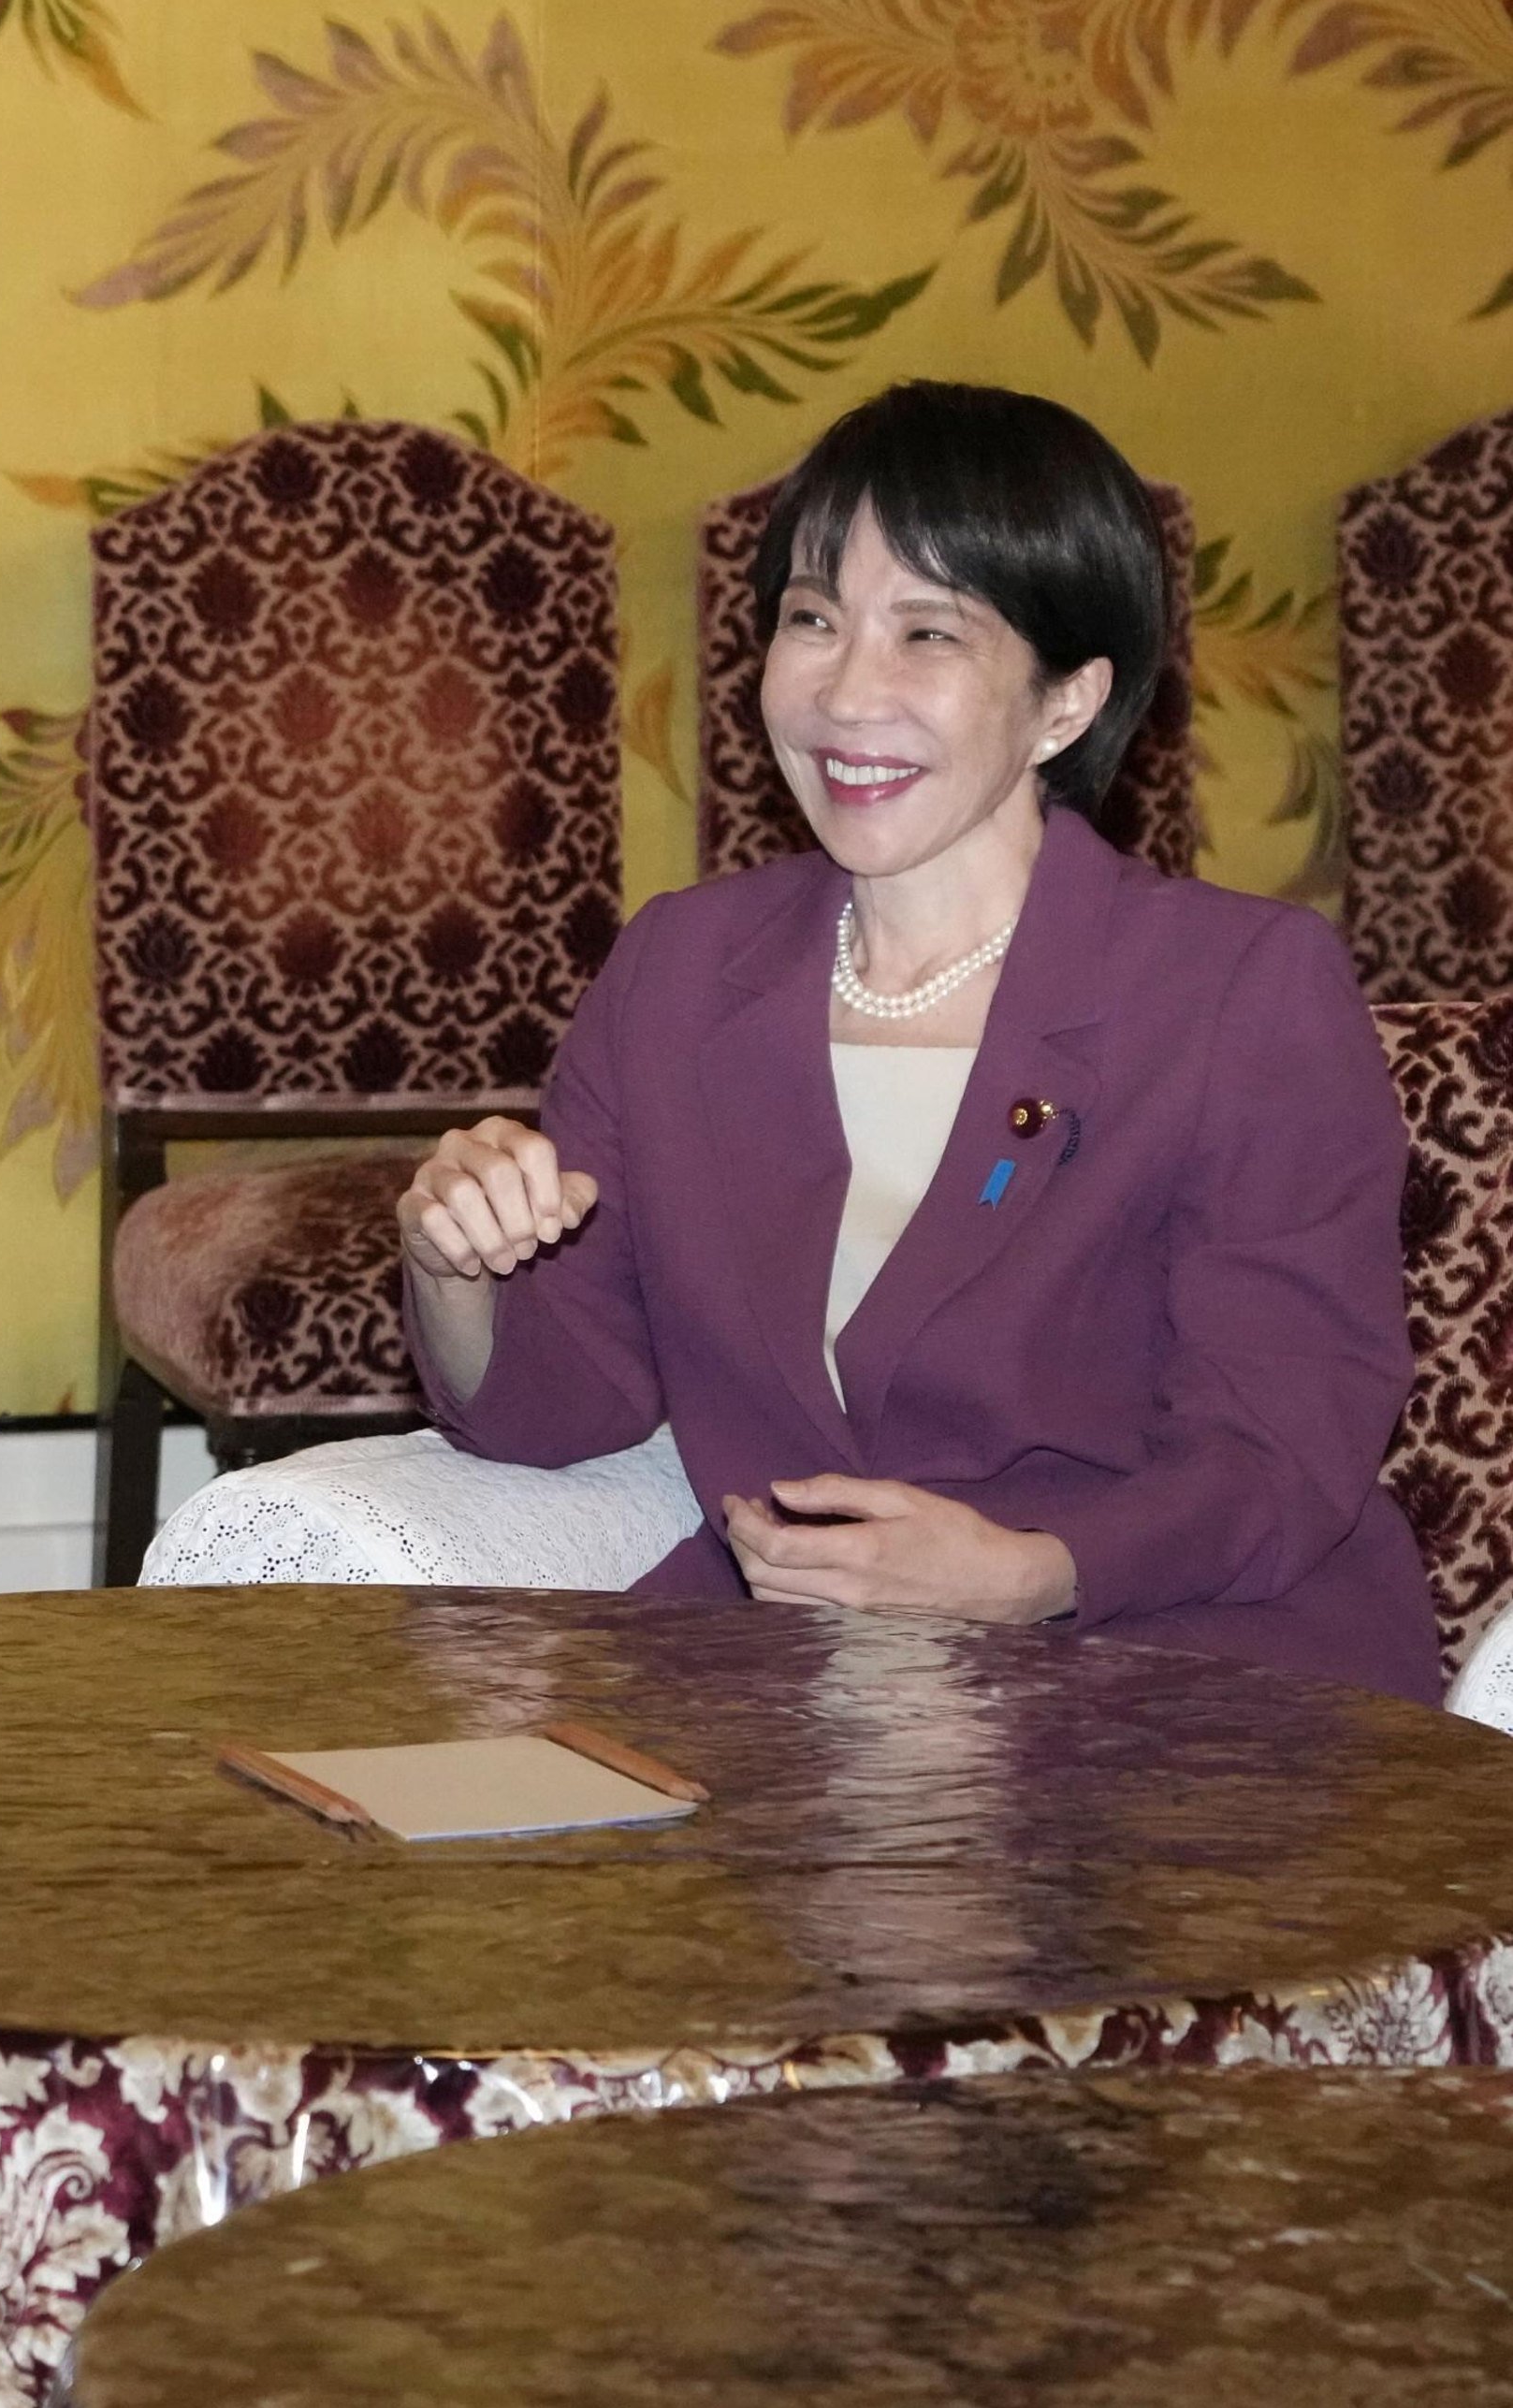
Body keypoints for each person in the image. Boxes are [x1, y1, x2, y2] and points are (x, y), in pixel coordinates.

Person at [396, 381, 1434, 1701]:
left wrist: (1030, 1571)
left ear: (1065, 703)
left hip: (1179, 1667)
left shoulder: (1239, 988)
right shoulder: (680, 970)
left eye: (928, 634)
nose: (847, 692)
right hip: (797, 1677)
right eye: (813, 620)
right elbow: (568, 1400)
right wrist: (454, 1270)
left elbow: (1285, 1442)